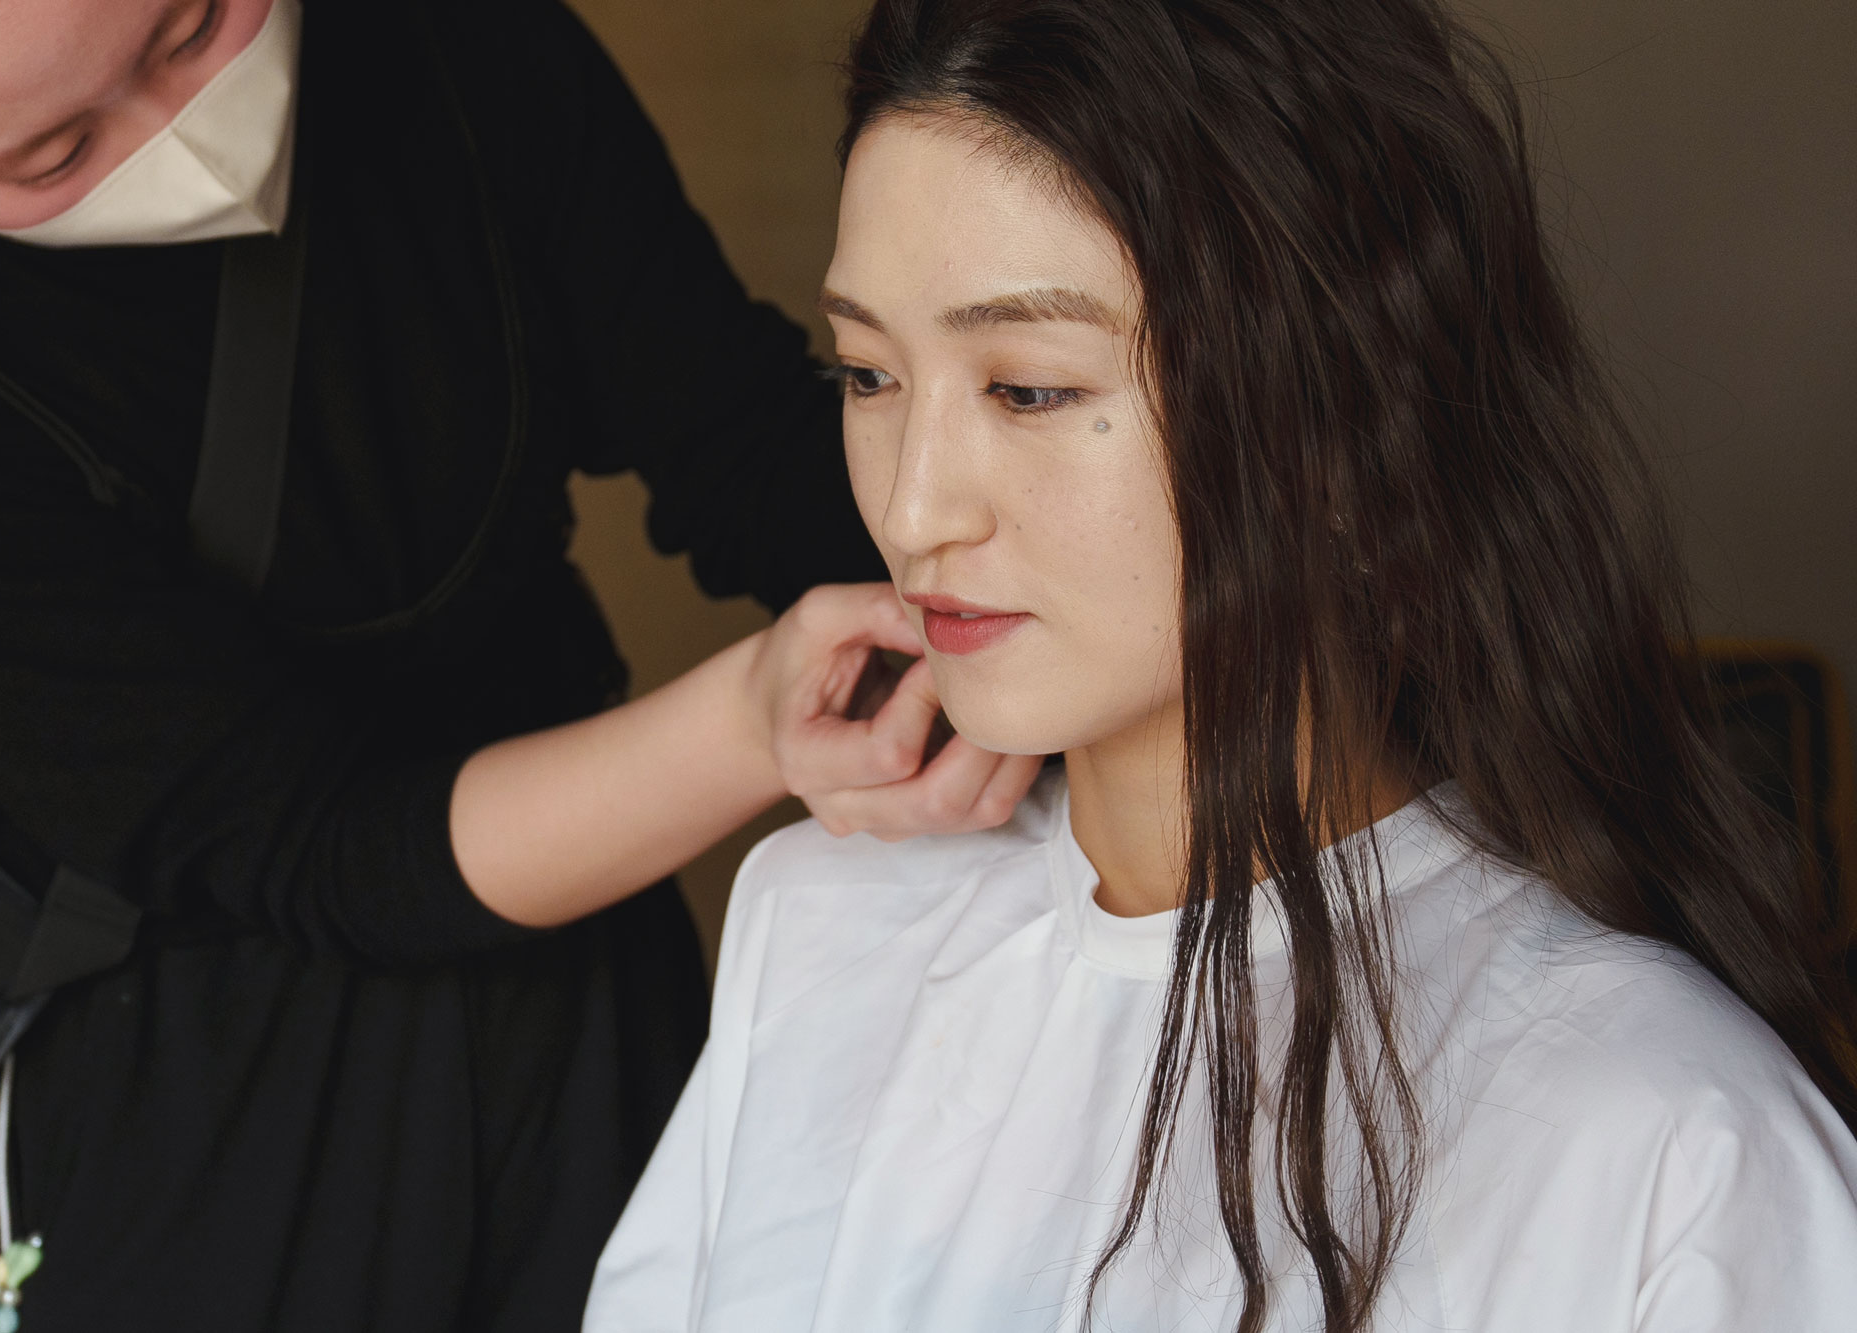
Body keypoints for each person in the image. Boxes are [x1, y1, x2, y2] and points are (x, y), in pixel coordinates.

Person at [583, 0, 1857, 1329]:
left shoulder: (1660, 1144)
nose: (912, 509)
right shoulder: (823, 929)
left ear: (1345, 420)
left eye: (1028, 389)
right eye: (866, 375)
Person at [0, 0, 1041, 1327]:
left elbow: (743, 442)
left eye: (193, 27)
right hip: (190, 1063)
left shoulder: (460, 45)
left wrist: (1038, 586)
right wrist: (753, 725)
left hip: (577, 997)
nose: (184, 135)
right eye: (55, 153)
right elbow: (309, 839)